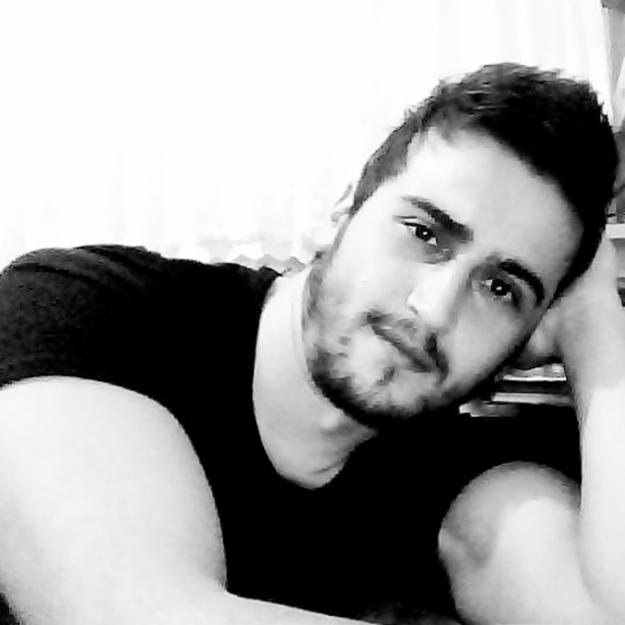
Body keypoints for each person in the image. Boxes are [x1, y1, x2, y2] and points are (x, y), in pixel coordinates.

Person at [0, 62, 620, 625]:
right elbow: (141, 613)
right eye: (423, 232)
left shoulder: (451, 474)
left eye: (501, 288)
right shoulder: (85, 307)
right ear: (345, 212)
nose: (435, 309)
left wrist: (594, 325)